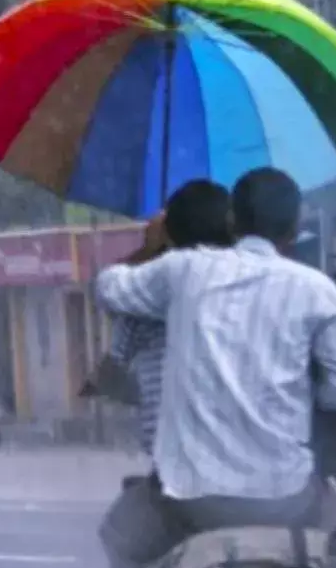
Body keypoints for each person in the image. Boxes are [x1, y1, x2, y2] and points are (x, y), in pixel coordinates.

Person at [94, 167, 336, 568]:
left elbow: (108, 287)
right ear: (295, 228)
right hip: (286, 497)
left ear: (233, 219)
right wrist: (311, 393)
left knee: (120, 534)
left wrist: (151, 244)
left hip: (193, 499)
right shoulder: (317, 289)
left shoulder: (184, 271)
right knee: (332, 521)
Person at [87, 180, 232, 456]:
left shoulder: (164, 278)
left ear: (169, 230)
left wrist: (149, 248)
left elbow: (106, 288)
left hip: (172, 454)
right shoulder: (252, 282)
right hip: (237, 450)